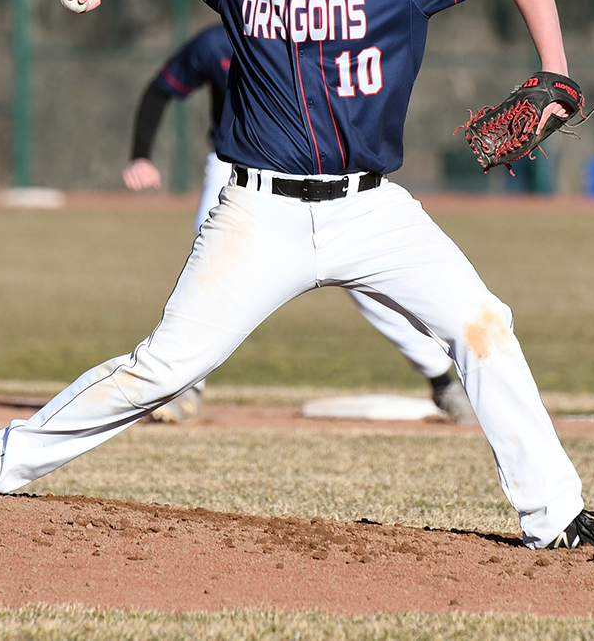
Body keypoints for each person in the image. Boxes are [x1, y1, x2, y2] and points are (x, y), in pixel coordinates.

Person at [0, 0, 594, 555]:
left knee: (484, 325)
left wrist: (556, 72)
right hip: (258, 214)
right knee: (163, 369)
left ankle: (555, 517)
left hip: (371, 209)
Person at [125, 23, 476, 425]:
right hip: (234, 168)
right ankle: (186, 386)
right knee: (214, 271)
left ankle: (442, 381)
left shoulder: (316, 28)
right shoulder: (215, 43)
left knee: (370, 282)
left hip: (322, 172)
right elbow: (161, 89)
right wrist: (140, 155)